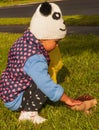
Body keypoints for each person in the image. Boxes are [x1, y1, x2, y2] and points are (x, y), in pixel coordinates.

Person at [0, 2, 82, 124]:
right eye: (56, 41)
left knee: (40, 78)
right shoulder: (35, 58)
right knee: (43, 83)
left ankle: (34, 101)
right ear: (44, 36)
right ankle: (28, 113)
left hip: (9, 91)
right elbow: (45, 84)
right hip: (16, 98)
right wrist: (67, 99)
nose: (57, 45)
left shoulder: (25, 41)